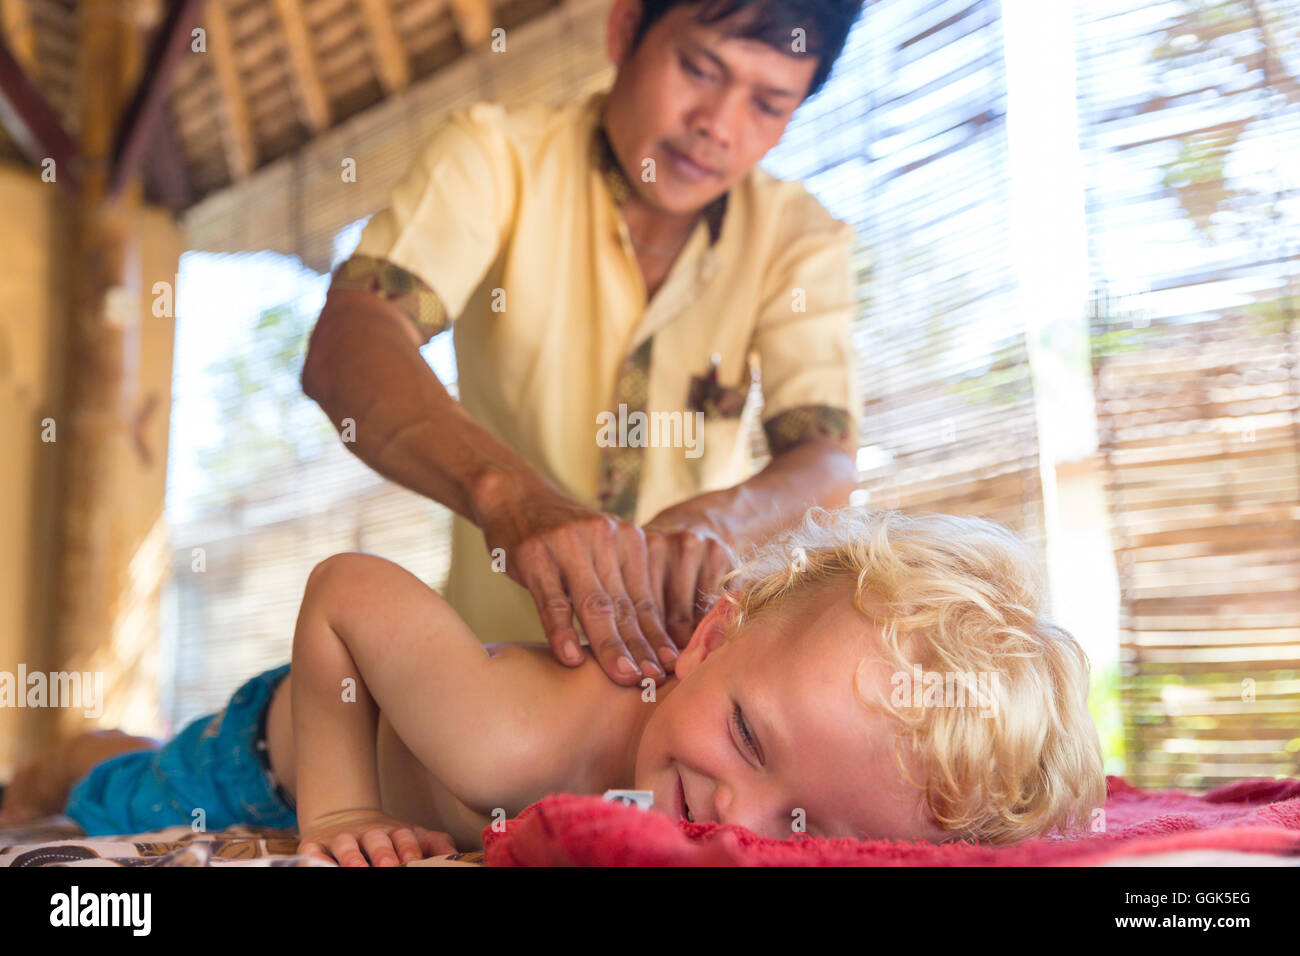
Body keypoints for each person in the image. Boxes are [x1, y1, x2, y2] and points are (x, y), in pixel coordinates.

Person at [1, 508, 1106, 863]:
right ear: (710, 636)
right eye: (748, 739)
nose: (735, 815)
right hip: (274, 746)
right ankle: (63, 750)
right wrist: (336, 808)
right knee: (102, 786)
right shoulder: (510, 740)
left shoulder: (697, 794)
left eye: (799, 826)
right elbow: (345, 590)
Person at [301, 0, 866, 687]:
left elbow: (826, 461)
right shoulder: (494, 157)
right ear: (624, 28)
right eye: (697, 68)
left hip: (681, 686)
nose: (716, 126)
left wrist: (723, 521)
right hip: (483, 678)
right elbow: (352, 338)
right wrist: (511, 496)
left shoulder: (800, 240)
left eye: (769, 104)